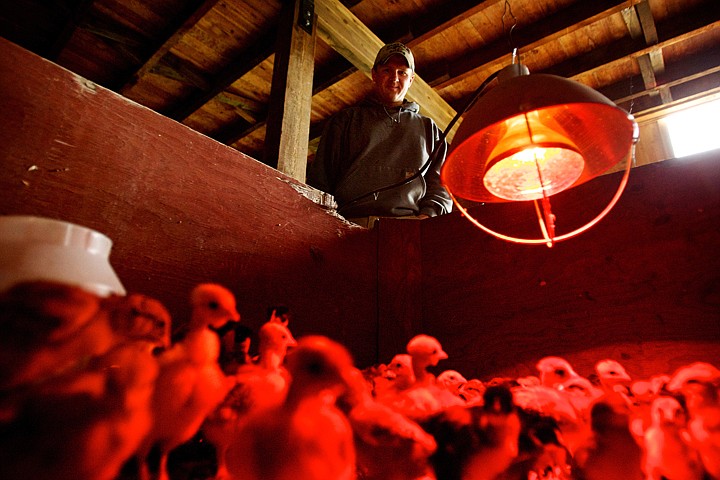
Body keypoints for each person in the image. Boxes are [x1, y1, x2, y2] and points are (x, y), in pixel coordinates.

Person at [307, 42, 452, 226]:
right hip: (347, 225)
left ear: (411, 79)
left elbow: (441, 186)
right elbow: (320, 180)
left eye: (402, 72)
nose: (394, 78)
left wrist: (428, 218)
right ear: (374, 74)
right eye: (387, 70)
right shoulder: (345, 121)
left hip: (408, 229)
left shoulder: (429, 129)